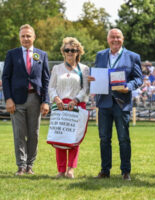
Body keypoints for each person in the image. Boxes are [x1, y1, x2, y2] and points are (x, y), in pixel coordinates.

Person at [88, 28, 143, 181]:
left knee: (124, 138)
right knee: (104, 138)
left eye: (118, 37)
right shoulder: (100, 55)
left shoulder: (133, 57)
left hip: (121, 103)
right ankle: (105, 170)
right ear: (108, 39)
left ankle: (126, 171)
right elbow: (97, 75)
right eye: (112, 37)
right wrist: (92, 79)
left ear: (122, 39)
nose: (115, 40)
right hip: (104, 103)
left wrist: (129, 87)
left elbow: (139, 79)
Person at [2, 24, 50, 175]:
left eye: (28, 36)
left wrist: (46, 101)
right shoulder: (12, 54)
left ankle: (30, 165)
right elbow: (6, 77)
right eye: (23, 36)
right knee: (19, 133)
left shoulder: (41, 55)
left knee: (34, 133)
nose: (26, 38)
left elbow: (46, 79)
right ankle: (21, 166)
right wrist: (8, 99)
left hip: (35, 99)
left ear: (34, 37)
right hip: (16, 101)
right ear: (19, 37)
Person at [48, 37, 89, 178]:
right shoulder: (56, 68)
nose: (70, 52)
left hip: (76, 106)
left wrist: (76, 100)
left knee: (73, 139)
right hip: (60, 106)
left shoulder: (84, 69)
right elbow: (51, 87)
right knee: (60, 137)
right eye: (67, 50)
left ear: (78, 51)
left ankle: (70, 169)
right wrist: (56, 98)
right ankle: (60, 169)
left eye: (73, 50)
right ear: (63, 52)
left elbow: (86, 89)